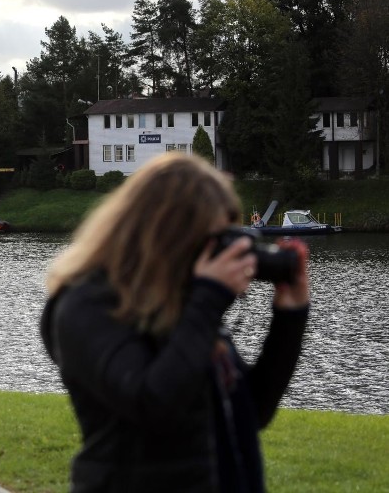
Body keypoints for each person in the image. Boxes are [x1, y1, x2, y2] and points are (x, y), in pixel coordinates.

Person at [40, 153, 309, 493]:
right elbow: (153, 404)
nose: (220, 253)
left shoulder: (184, 300)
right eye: (211, 241)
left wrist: (290, 316)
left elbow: (251, 413)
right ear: (168, 235)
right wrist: (209, 297)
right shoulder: (87, 306)